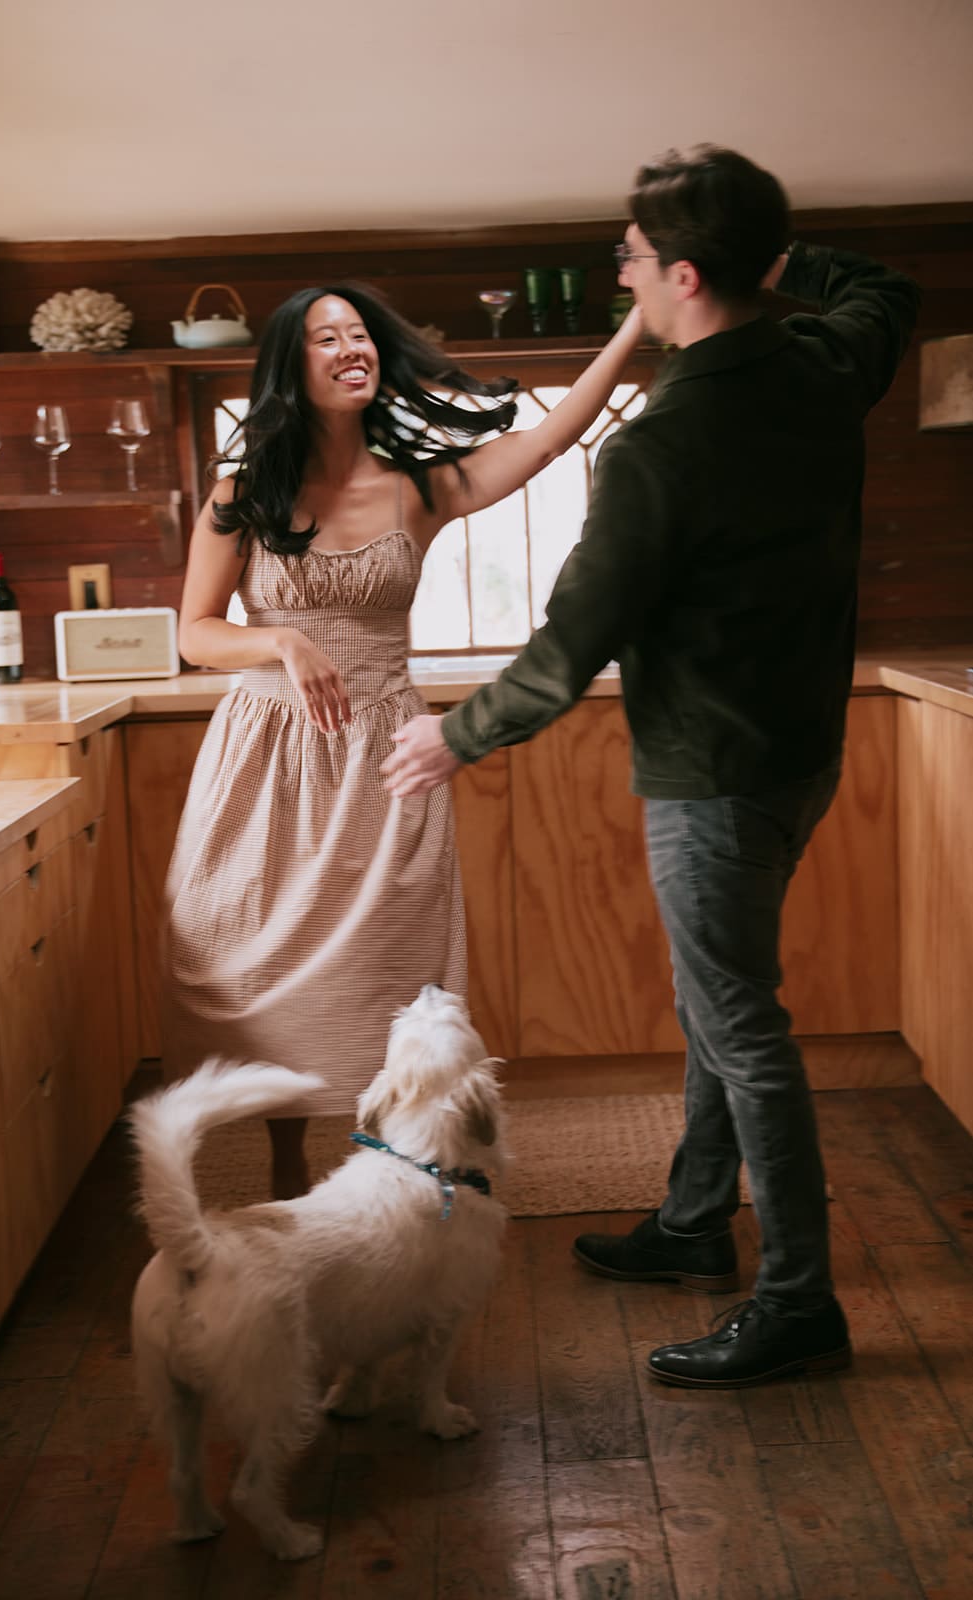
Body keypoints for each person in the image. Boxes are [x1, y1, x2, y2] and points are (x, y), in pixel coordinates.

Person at [382, 145, 920, 1387]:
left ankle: (798, 1305)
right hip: (801, 757)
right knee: (718, 1010)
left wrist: (451, 735)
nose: (616, 271)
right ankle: (692, 1223)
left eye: (627, 256)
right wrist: (779, 254)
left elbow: (572, 644)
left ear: (680, 273)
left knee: (741, 1027)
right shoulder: (825, 366)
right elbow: (886, 285)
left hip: (712, 778)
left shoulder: (660, 446)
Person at [163, 280, 645, 1200]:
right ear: (288, 368)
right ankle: (282, 1162)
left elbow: (548, 437)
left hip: (386, 751)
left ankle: (387, 1168)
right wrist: (279, 639)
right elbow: (193, 631)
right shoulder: (242, 494)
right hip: (268, 753)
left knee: (389, 969)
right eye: (324, 338)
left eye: (359, 334)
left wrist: (637, 323)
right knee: (254, 960)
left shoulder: (421, 484)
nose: (350, 347)